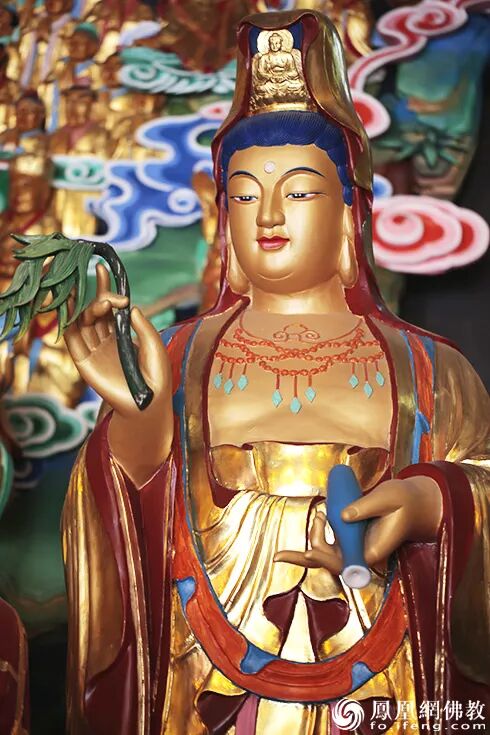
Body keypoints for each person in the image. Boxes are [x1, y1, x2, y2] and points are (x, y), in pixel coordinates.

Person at [61, 10, 489, 734]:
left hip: (384, 687)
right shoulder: (179, 355)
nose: (267, 215)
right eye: (243, 193)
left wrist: (429, 503)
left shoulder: (429, 367)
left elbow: (483, 479)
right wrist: (139, 412)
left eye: (298, 191)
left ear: (350, 212)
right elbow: (124, 520)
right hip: (204, 685)